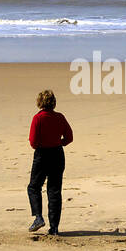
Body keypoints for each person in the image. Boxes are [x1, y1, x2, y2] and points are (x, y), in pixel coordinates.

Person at [27, 89, 72, 234]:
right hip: (57, 154)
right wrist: (59, 143)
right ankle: (54, 227)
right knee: (54, 191)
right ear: (53, 102)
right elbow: (69, 137)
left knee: (34, 187)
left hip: (42, 155)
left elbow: (33, 142)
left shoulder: (38, 118)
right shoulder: (60, 117)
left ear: (39, 102)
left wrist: (43, 143)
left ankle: (38, 217)